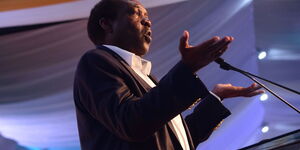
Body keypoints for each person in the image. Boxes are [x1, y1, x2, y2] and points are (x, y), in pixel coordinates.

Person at [73, 0, 264, 149]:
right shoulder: (95, 62)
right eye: (136, 13)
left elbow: (178, 140)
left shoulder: (147, 78)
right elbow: (130, 123)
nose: (147, 21)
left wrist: (216, 97)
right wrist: (187, 68)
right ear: (107, 24)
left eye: (147, 16)